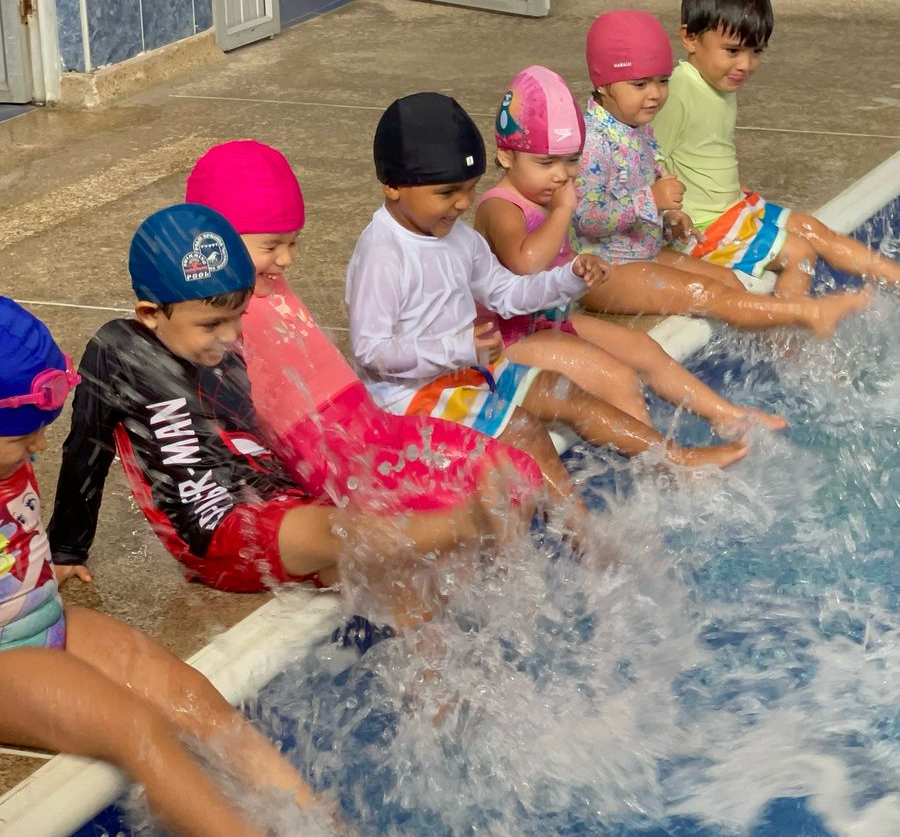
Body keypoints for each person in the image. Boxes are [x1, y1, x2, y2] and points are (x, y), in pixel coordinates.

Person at [0, 298, 371, 837]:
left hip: (37, 621)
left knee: (180, 687)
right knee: (135, 728)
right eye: (21, 441)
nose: (39, 450)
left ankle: (306, 810)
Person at [47, 204, 540, 618]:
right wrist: (67, 548)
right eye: (212, 324)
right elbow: (85, 445)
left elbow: (261, 434)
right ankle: (466, 519)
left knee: (388, 571)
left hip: (272, 501)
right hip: (215, 530)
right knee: (340, 532)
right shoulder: (118, 353)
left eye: (237, 319)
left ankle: (437, 689)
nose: (228, 337)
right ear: (150, 314)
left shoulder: (220, 350)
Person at [347, 91, 749, 482]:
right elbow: (371, 351)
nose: (462, 203)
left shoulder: (459, 239)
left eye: (469, 188)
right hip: (410, 397)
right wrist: (461, 349)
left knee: (568, 394)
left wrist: (568, 277)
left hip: (465, 369)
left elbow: (507, 293)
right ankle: (584, 535)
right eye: (447, 192)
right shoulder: (384, 255)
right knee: (525, 433)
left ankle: (675, 461)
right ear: (393, 186)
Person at [184, 139, 542, 522]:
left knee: (511, 470)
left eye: (292, 243)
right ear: (214, 243)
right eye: (272, 245)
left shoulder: (258, 282)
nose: (287, 259)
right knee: (470, 506)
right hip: (339, 467)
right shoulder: (217, 312)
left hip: (369, 430)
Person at [476, 63, 786, 437]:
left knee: (643, 348)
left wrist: (582, 266)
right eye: (546, 163)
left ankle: (726, 414)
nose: (562, 174)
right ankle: (664, 468)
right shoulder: (500, 207)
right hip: (505, 340)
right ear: (506, 157)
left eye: (572, 160)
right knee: (618, 378)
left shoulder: (544, 194)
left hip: (548, 321)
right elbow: (526, 264)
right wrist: (562, 212)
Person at [571, 9, 871, 337]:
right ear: (601, 84)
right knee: (709, 295)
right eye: (640, 84)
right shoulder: (592, 144)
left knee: (727, 281)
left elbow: (647, 182)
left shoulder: (635, 127)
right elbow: (586, 218)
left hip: (642, 253)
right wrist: (650, 200)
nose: (655, 94)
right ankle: (806, 313)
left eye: (662, 80)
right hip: (600, 271)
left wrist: (670, 216)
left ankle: (777, 350)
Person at [654, 0, 900, 297]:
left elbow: (702, 148)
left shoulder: (716, 85)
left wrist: (724, 183)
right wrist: (670, 213)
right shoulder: (680, 91)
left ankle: (895, 278)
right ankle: (788, 342)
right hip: (702, 229)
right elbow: (651, 159)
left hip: (732, 209)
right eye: (733, 50)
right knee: (799, 254)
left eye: (756, 52)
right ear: (690, 38)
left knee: (811, 229)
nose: (745, 64)